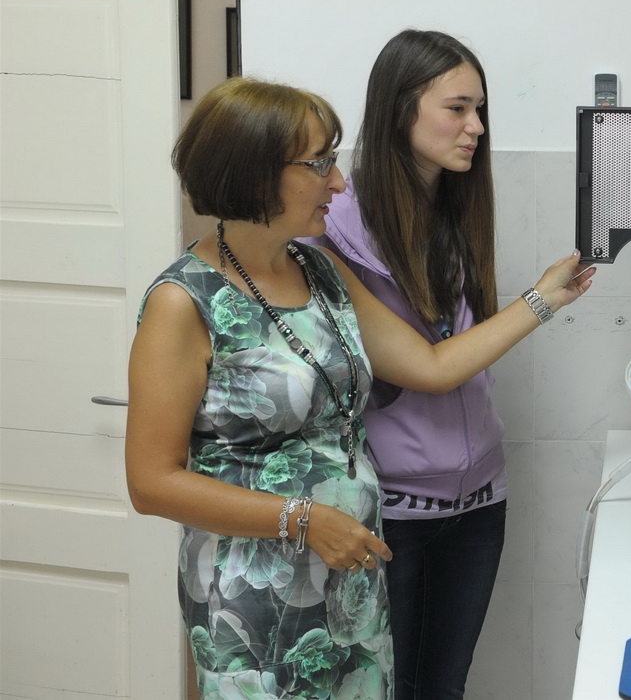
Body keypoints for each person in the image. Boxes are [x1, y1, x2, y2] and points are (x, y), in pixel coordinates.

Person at [124, 77, 593, 699]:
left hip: (349, 585)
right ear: (257, 174)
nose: (339, 183)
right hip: (254, 605)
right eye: (320, 164)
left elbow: (430, 366)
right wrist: (302, 519)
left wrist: (544, 299)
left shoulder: (319, 269)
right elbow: (151, 482)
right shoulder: (183, 301)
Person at [304, 29, 517, 699]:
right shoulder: (331, 225)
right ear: (401, 110)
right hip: (387, 511)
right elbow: (428, 366)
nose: (475, 127)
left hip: (480, 501)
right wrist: (542, 300)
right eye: (457, 108)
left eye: (479, 109)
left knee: (443, 690)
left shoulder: (455, 209)